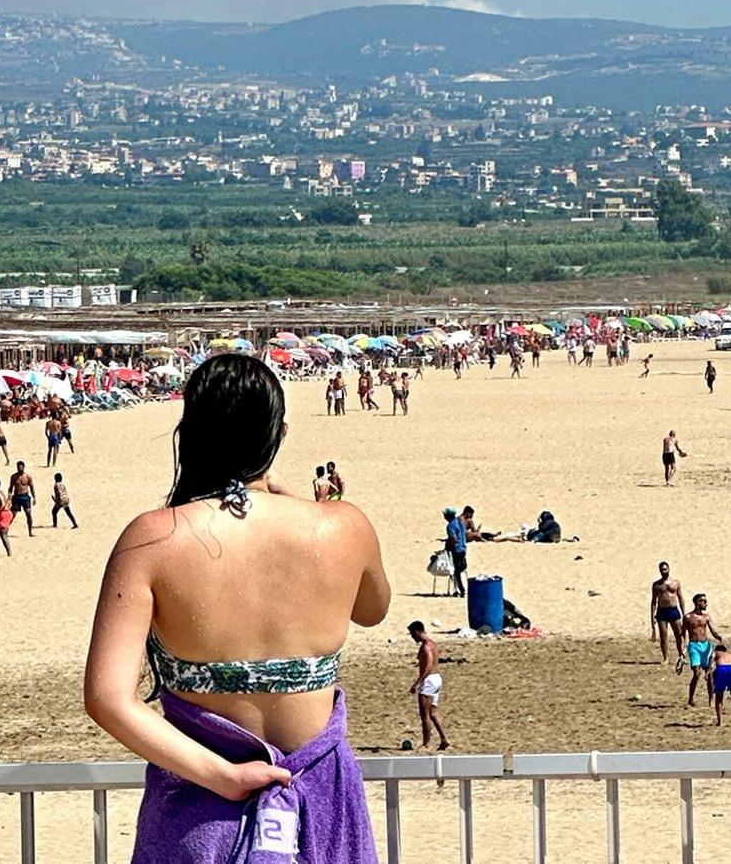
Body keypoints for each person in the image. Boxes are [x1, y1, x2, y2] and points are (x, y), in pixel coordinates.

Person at [84, 354, 391, 863]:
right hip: (321, 792)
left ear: (191, 432)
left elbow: (108, 699)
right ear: (279, 434)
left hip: (200, 805)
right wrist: (303, 501)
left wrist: (223, 778)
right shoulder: (342, 527)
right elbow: (373, 608)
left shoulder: (153, 538)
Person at [407, 621, 449, 751]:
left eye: (412, 634)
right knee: (433, 713)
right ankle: (444, 739)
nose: (412, 637)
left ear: (417, 631)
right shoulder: (433, 644)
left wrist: (417, 683)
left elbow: (429, 666)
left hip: (429, 680)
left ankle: (426, 744)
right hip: (436, 679)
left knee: (424, 714)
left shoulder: (426, 646)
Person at [683, 594, 725, 707]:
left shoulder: (706, 617)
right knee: (696, 673)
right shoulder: (687, 617)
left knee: (709, 673)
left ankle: (711, 699)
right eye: (703, 601)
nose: (706, 603)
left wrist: (719, 637)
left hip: (706, 645)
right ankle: (690, 698)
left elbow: (712, 630)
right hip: (694, 645)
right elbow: (683, 634)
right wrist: (683, 649)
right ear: (697, 603)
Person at [650, 562, 687, 669]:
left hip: (673, 610)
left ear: (669, 569)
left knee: (679, 634)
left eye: (665, 569)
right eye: (662, 569)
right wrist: (652, 616)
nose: (663, 571)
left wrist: (684, 613)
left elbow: (681, 598)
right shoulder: (657, 585)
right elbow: (653, 601)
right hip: (662, 611)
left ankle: (681, 655)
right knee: (663, 636)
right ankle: (665, 657)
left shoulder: (675, 583)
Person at [443, 506, 468, 597]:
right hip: (463, 549)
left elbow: (454, 539)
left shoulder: (450, 526)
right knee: (460, 568)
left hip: (456, 551)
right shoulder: (460, 522)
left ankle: (461, 589)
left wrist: (448, 545)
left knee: (455, 571)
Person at [8, 460, 36, 535]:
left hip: (25, 497)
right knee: (12, 515)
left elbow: (31, 487)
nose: (20, 469)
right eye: (19, 468)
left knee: (28, 514)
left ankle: (30, 532)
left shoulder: (27, 476)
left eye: (21, 468)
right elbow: (10, 487)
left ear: (24, 467)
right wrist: (9, 496)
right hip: (16, 497)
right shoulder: (14, 477)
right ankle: (5, 530)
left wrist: (34, 497)